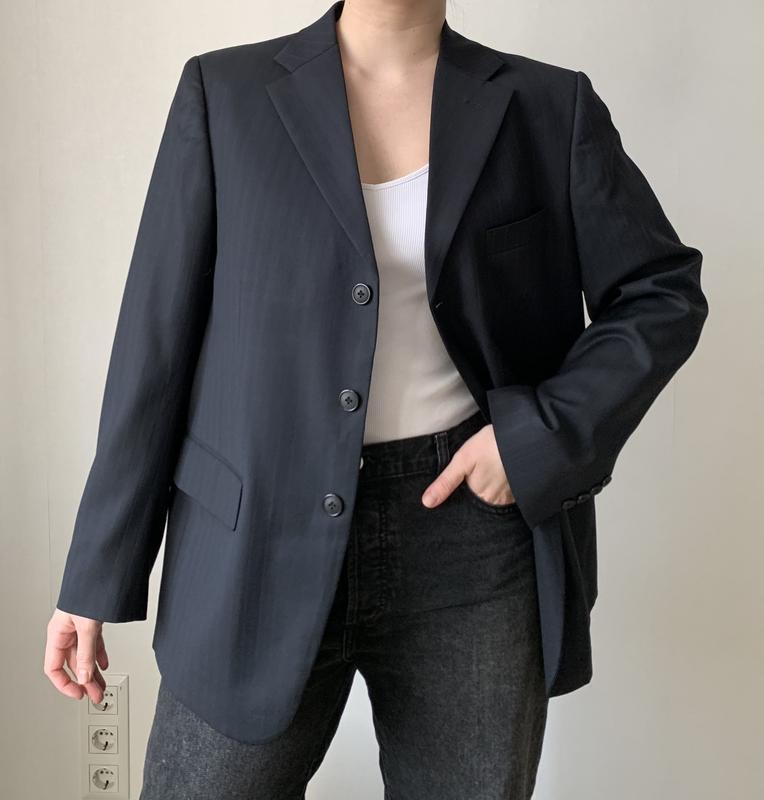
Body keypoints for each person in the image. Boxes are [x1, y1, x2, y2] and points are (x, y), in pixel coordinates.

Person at [44, 1, 709, 797]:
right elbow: (156, 343)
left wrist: (535, 439)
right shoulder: (226, 95)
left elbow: (660, 292)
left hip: (470, 544)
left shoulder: (546, 106)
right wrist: (97, 573)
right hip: (253, 541)